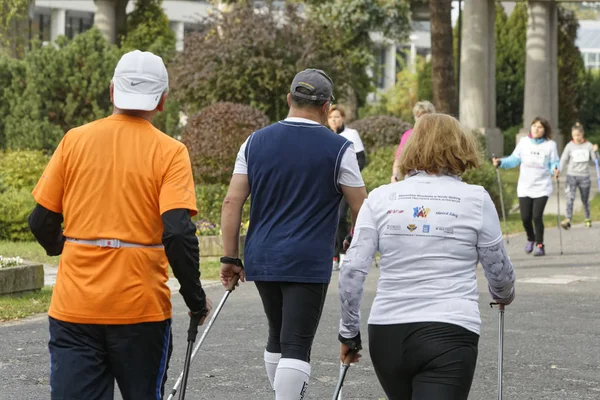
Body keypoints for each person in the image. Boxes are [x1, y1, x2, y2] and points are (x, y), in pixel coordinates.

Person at [28, 50, 212, 400]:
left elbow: (40, 221)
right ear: (161, 101)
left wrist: (67, 248)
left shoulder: (74, 140)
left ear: (112, 91)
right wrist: (195, 298)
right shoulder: (171, 152)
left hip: (75, 306)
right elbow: (177, 231)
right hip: (140, 309)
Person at [338, 113, 516, 400]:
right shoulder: (476, 199)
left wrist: (348, 332)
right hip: (449, 329)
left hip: (388, 332)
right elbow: (499, 271)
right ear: (461, 146)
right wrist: (504, 293)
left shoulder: (381, 197)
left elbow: (352, 270)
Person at [219, 69, 367, 400]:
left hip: (262, 255)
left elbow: (232, 201)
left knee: (278, 335)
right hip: (307, 258)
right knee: (297, 342)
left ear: (289, 99)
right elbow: (362, 207)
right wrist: (356, 239)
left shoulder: (253, 141)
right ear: (328, 107)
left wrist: (230, 257)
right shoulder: (339, 148)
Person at [493, 117, 560, 256]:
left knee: (537, 216)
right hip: (525, 186)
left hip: (542, 187)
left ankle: (540, 245)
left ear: (544, 130)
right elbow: (513, 160)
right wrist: (501, 162)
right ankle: (531, 238)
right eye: (534, 125)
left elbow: (554, 162)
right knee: (525, 217)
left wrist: (555, 169)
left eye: (540, 127)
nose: (536, 129)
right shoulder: (524, 142)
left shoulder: (550, 145)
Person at [327, 104, 366, 271]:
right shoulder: (326, 135)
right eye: (331, 117)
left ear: (342, 118)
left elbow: (361, 159)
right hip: (329, 184)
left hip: (347, 184)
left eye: (337, 116)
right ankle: (333, 256)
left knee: (342, 216)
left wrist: (348, 177)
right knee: (331, 218)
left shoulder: (351, 134)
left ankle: (344, 252)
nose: (334, 120)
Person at [559, 122, 599, 229]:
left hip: (584, 176)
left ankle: (587, 217)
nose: (576, 137)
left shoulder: (588, 145)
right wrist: (558, 170)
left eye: (578, 135)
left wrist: (596, 152)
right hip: (571, 175)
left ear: (582, 134)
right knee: (570, 198)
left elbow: (595, 160)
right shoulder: (569, 146)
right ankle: (568, 219)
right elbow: (563, 159)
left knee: (585, 199)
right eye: (574, 135)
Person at [391, 100, 436, 182]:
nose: (421, 120)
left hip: (436, 180)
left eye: (424, 116)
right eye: (418, 116)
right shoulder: (408, 135)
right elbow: (398, 159)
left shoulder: (439, 135)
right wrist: (395, 176)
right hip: (412, 181)